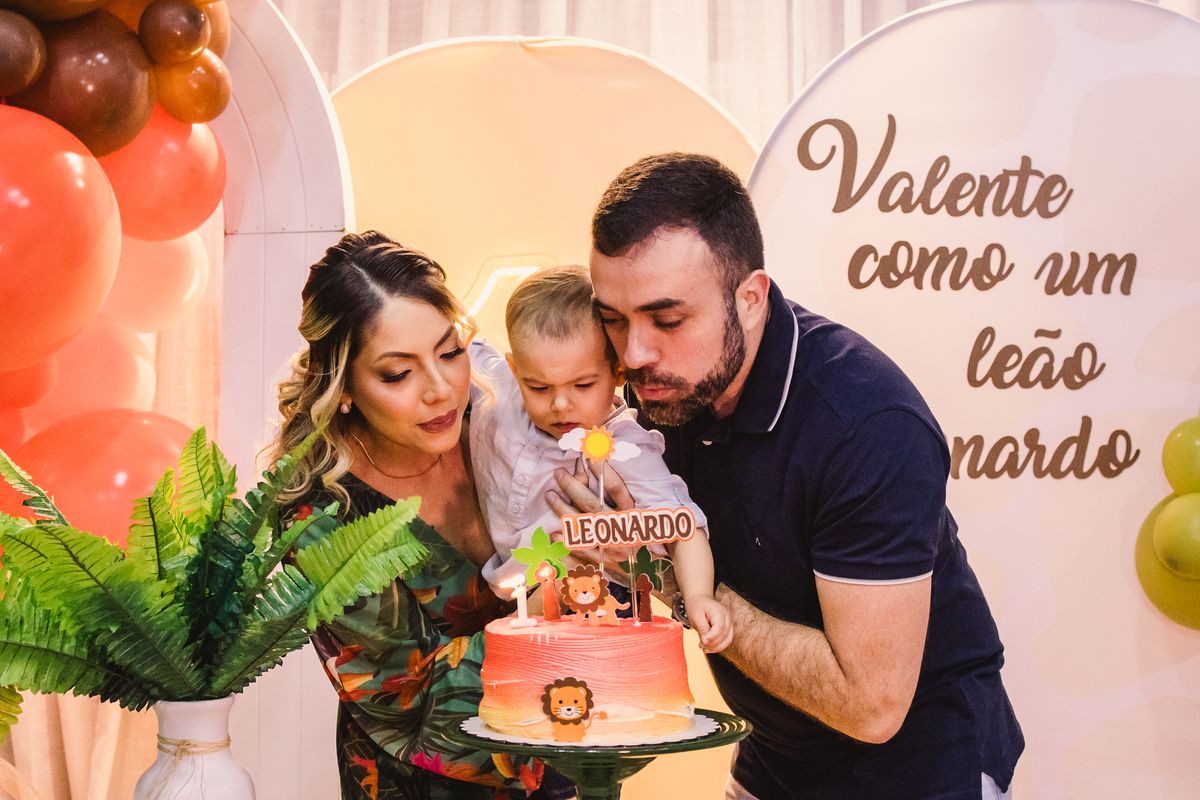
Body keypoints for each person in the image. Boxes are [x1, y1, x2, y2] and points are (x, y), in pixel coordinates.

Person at [552, 153, 1024, 800]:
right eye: (613, 318)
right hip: (775, 754)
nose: (634, 354)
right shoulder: (665, 389)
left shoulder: (866, 425)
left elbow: (870, 705)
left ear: (750, 299)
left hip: (918, 768)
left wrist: (671, 577)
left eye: (668, 320)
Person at [269, 231, 573, 800]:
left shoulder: (501, 421)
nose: (442, 390)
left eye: (450, 351)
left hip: (574, 765)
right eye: (397, 374)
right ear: (343, 387)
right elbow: (414, 705)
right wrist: (560, 595)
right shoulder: (321, 519)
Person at [468, 264, 732, 651]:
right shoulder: (496, 385)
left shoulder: (623, 447)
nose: (560, 404)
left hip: (592, 597)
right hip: (506, 592)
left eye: (583, 385)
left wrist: (697, 597)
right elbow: (453, 342)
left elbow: (684, 527)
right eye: (538, 386)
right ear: (514, 369)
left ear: (618, 372)